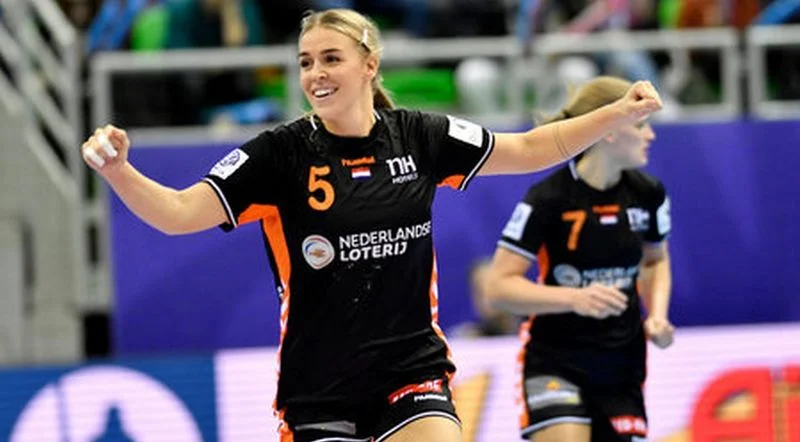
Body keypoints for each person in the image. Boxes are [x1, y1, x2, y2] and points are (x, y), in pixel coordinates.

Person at [80, 9, 662, 442]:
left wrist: (617, 112)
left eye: (331, 58)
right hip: (319, 388)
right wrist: (119, 171)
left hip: (411, 370)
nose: (316, 73)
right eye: (306, 62)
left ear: (369, 65)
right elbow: (179, 213)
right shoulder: (278, 155)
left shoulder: (420, 136)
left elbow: (532, 147)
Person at [484, 76, 674, 442]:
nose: (650, 135)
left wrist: (658, 316)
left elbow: (655, 260)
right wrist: (575, 298)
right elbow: (498, 289)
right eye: (640, 125)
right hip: (555, 361)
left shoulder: (649, 194)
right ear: (609, 130)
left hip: (622, 365)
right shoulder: (548, 198)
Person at [449, 258, 520, 338]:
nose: (487, 298)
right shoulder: (465, 339)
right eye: (480, 290)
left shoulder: (529, 331)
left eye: (493, 288)